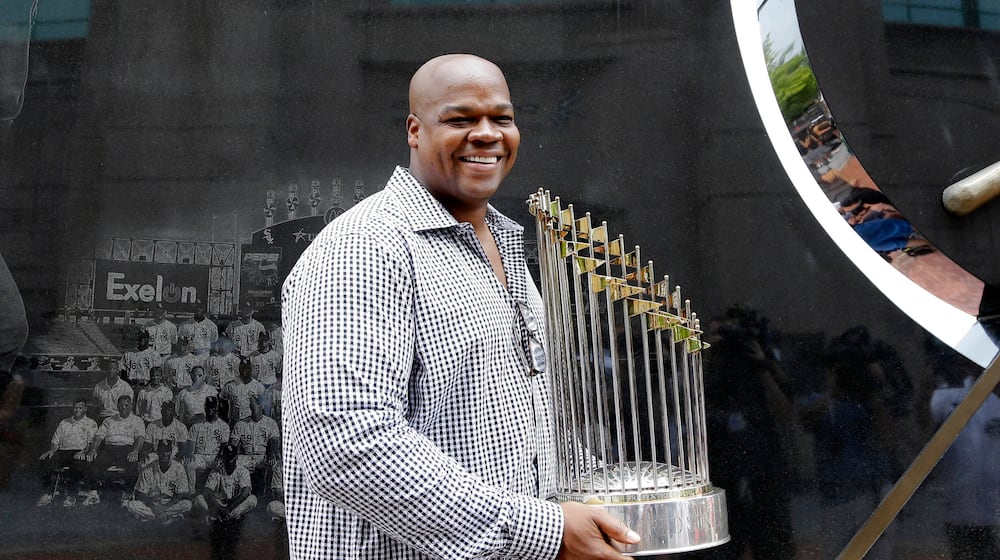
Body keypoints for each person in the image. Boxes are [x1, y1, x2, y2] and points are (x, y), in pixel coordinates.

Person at [281, 54, 638, 559]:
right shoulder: (365, 248)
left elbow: (530, 418)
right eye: (460, 119)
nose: (487, 134)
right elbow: (347, 445)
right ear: (414, 130)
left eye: (502, 118)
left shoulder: (502, 242)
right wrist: (548, 532)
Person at [81, 394, 146, 506]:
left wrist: (135, 451)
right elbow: (99, 436)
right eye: (121, 405)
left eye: (126, 405)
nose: (123, 408)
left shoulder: (137, 420)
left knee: (133, 464)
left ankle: (128, 493)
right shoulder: (108, 420)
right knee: (94, 461)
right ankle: (94, 493)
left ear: (131, 406)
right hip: (109, 449)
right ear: (117, 406)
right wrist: (93, 450)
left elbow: (140, 438)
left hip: (127, 449)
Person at [36, 398, 97, 507]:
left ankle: (71, 496)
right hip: (63, 451)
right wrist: (52, 450)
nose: (77, 410)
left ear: (85, 409)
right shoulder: (64, 422)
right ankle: (48, 493)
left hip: (79, 451)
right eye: (75, 407)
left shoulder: (91, 423)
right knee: (46, 459)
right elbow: (55, 441)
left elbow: (90, 443)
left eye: (80, 408)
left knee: (76, 463)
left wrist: (83, 452)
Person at [125, 439, 193, 523]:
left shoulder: (179, 468)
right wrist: (155, 508)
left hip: (169, 504)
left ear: (171, 452)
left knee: (187, 504)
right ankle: (169, 518)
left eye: (167, 451)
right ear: (157, 452)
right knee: (132, 505)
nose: (165, 454)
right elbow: (140, 494)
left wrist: (165, 507)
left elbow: (182, 494)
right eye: (162, 450)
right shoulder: (148, 469)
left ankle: (152, 518)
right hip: (152, 504)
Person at [230, 397, 280, 494]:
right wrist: (232, 457)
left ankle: (275, 495)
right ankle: (235, 494)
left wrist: (272, 454)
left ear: (261, 406)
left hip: (263, 456)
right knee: (233, 464)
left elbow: (275, 441)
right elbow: (233, 444)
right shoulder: (241, 424)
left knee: (276, 466)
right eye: (251, 406)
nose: (252, 408)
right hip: (246, 457)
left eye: (254, 406)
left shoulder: (270, 422)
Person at [186, 396, 230, 491]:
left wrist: (220, 457)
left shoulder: (223, 426)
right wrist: (190, 455)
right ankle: (191, 491)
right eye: (208, 407)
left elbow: (224, 446)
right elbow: (191, 447)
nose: (210, 409)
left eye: (213, 407)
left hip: (214, 456)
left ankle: (218, 493)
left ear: (217, 408)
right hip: (199, 456)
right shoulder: (196, 425)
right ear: (205, 407)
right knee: (189, 463)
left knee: (222, 466)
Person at [221, 358, 264, 426]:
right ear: (239, 369)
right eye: (242, 368)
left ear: (251, 369)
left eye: (247, 368)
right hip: (234, 421)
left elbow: (262, 406)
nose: (245, 371)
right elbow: (223, 402)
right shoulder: (230, 385)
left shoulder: (258, 386)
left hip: (250, 422)